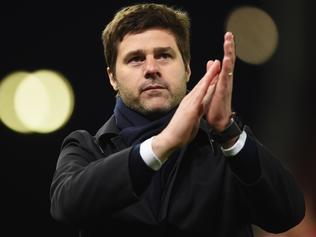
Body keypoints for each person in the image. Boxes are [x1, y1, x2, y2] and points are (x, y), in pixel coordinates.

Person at [50, 3, 305, 237]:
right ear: (112, 77)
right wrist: (165, 142)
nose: (151, 68)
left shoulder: (226, 147)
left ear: (187, 69)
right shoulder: (86, 148)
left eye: (163, 55)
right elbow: (66, 206)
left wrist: (228, 132)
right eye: (136, 59)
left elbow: (287, 214)